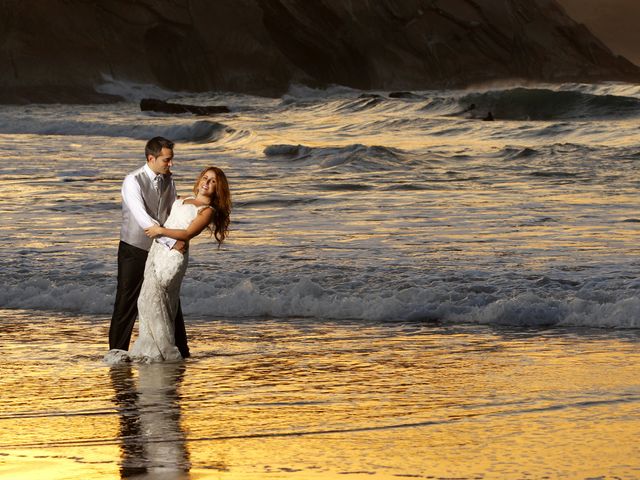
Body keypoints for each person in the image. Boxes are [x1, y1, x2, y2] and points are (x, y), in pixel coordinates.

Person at [108, 166, 231, 363]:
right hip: (158, 251)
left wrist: (160, 232)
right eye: (205, 178)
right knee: (146, 301)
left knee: (156, 301)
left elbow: (187, 234)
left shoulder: (207, 211)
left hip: (174, 256)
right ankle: (153, 347)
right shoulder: (181, 199)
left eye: (213, 182)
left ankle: (161, 351)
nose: (207, 183)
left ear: (218, 189)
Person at [107, 137, 189, 360]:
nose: (170, 164)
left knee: (169, 298)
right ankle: (117, 352)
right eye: (167, 160)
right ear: (151, 158)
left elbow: (170, 210)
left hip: (160, 249)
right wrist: (171, 242)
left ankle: (181, 350)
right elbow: (143, 220)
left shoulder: (167, 179)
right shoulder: (132, 180)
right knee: (127, 301)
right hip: (134, 249)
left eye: (171, 160)